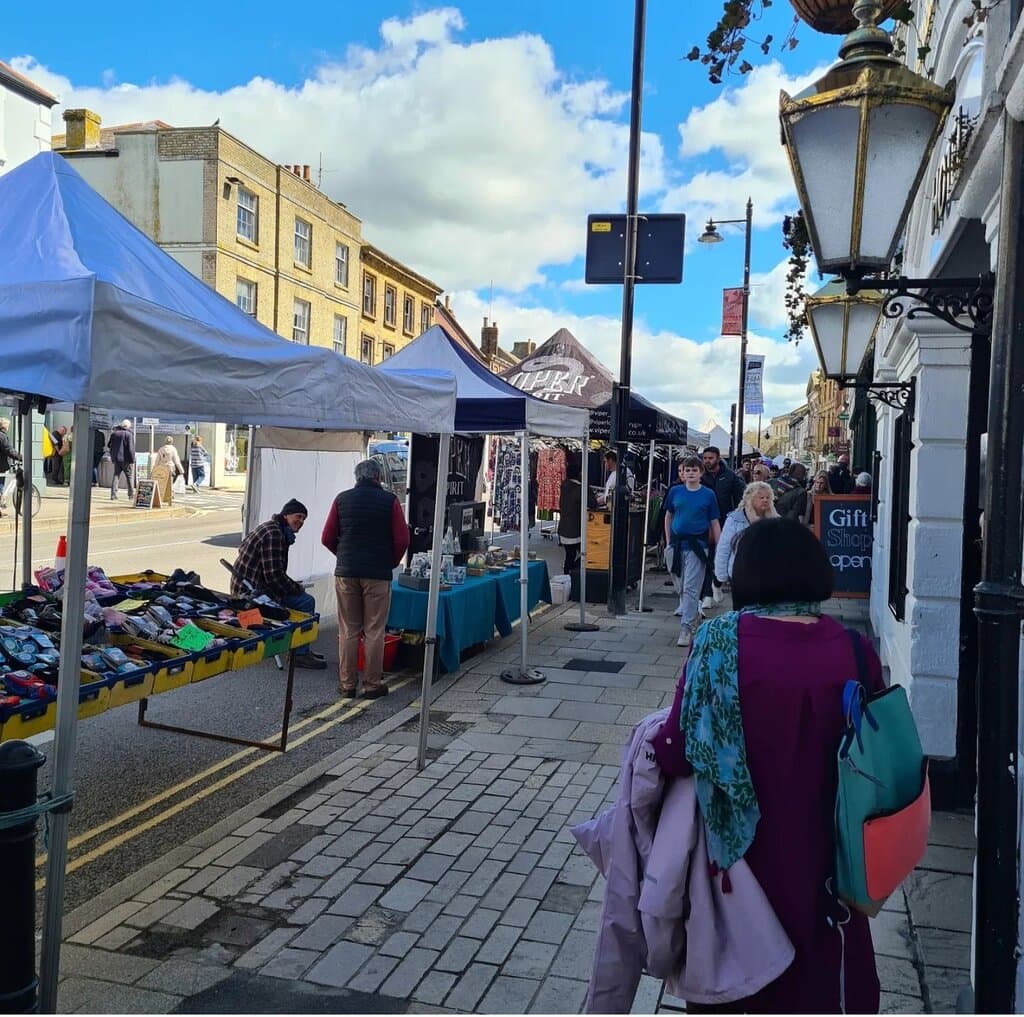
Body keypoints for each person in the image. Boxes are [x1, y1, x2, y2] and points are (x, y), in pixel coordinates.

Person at [651, 517, 883, 1012]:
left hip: (737, 873)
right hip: (830, 868)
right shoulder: (857, 653)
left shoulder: (717, 645)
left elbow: (675, 750)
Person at [321, 459, 409, 699]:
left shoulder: (341, 499)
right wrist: (390, 561)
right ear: (378, 477)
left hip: (347, 572)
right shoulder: (390, 501)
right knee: (374, 630)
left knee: (349, 629)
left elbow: (327, 537)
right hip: (377, 573)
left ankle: (347, 684)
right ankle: (371, 684)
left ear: (356, 477)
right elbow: (402, 539)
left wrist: (343, 554)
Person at [232, 499, 326, 670]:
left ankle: (297, 646)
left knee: (298, 597)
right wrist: (297, 588)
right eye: (298, 516)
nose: (301, 522)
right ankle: (300, 653)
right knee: (306, 602)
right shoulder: (274, 534)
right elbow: (274, 577)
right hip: (252, 595)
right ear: (286, 515)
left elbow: (270, 571)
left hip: (248, 588)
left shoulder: (272, 528)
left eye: (304, 519)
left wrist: (291, 585)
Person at [664, 456, 721, 648]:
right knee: (679, 585)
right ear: (683, 473)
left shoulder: (708, 495)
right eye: (687, 470)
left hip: (697, 546)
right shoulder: (675, 492)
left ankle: (686, 628)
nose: (690, 473)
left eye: (694, 470)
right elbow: (669, 515)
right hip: (677, 544)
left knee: (690, 587)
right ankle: (693, 613)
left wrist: (720, 546)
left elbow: (714, 522)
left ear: (701, 473)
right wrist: (669, 541)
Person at [700, 446, 745, 609]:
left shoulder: (730, 476)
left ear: (718, 458)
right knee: (705, 558)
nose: (707, 461)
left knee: (717, 557)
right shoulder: (701, 476)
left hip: (723, 523)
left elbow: (741, 497)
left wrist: (735, 518)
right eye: (705, 458)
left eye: (710, 458)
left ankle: (713, 587)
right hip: (703, 523)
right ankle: (706, 593)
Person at [714, 480, 777, 583]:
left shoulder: (775, 520)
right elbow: (724, 548)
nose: (765, 500)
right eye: (761, 497)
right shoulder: (735, 520)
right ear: (750, 499)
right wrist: (721, 575)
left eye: (768, 497)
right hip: (740, 575)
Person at [557, 457, 583, 574]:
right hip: (574, 531)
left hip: (564, 528)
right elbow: (592, 502)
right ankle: (570, 575)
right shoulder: (578, 489)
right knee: (584, 554)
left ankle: (568, 575)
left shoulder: (564, 486)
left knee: (569, 555)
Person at [107, 419, 135, 501]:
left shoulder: (114, 434)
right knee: (129, 477)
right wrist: (132, 459)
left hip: (116, 458)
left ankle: (113, 495)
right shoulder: (129, 435)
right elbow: (131, 449)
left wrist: (114, 451)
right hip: (126, 459)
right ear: (128, 426)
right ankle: (130, 495)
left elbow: (109, 445)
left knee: (116, 475)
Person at [0, 418, 22, 515]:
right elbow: (8, 450)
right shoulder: (2, 436)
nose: (8, 427)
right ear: (4, 426)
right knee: (0, 487)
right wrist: (21, 457)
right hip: (1, 465)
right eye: (8, 425)